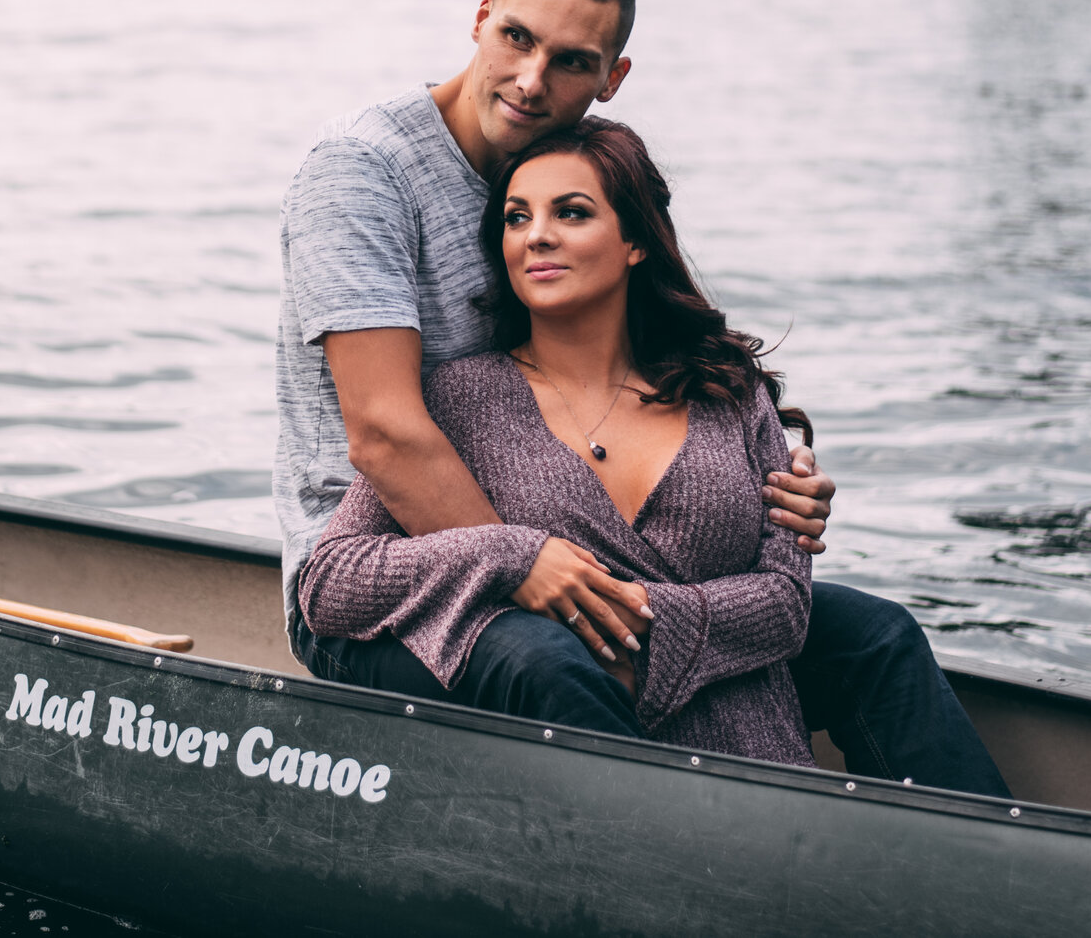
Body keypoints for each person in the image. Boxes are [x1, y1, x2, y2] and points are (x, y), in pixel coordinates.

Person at [274, 0, 1006, 790]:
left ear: (609, 79)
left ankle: (1008, 881)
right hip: (393, 583)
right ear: (480, 20)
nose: (532, 80)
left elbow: (655, 348)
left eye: (570, 60)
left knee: (873, 634)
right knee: (554, 660)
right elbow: (387, 434)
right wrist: (534, 572)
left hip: (586, 552)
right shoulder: (364, 173)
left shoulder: (567, 165)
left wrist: (763, 483)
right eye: (516, 37)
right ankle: (689, 873)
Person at [298, 119, 815, 763]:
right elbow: (331, 583)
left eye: (570, 213)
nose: (537, 235)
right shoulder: (462, 399)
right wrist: (509, 554)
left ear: (635, 242)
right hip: (591, 771)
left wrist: (644, 632)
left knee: (884, 635)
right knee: (548, 664)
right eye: (517, 218)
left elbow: (788, 601)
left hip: (757, 753)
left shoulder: (727, 392)